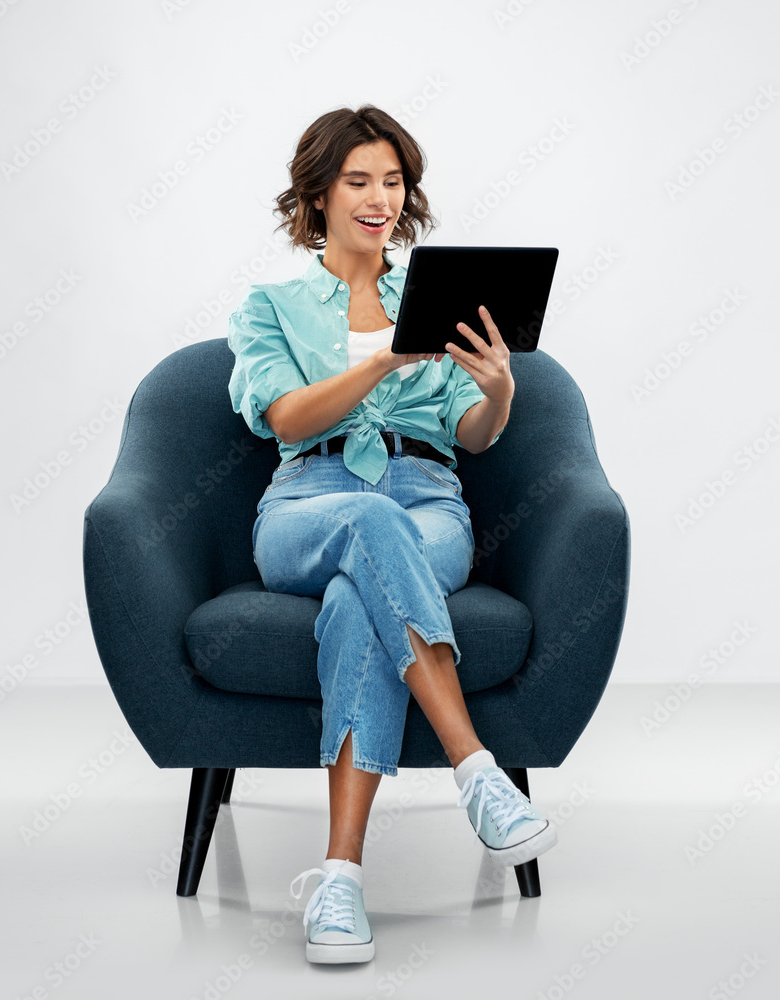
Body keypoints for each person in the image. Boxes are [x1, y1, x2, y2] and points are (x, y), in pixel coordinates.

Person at [227, 104, 556, 966]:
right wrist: (379, 363)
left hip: (427, 502)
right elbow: (284, 415)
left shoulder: (439, 300)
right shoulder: (272, 306)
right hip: (308, 499)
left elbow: (471, 433)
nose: (380, 198)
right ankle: (474, 769)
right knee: (364, 524)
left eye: (394, 181)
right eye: (359, 180)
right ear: (319, 194)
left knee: (353, 599)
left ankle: (338, 880)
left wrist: (498, 392)